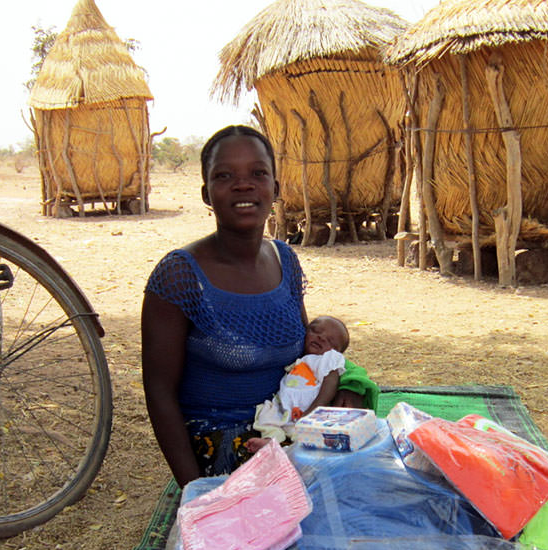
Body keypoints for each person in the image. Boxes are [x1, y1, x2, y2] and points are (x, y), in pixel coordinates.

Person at [141, 125, 374, 487]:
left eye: (258, 173)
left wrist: (345, 382)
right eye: (224, 175)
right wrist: (196, 492)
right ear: (207, 193)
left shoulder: (285, 260)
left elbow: (308, 351)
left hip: (286, 427)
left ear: (275, 189)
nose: (243, 185)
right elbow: (159, 393)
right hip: (221, 443)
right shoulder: (179, 276)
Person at [245, 315, 351, 452]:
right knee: (266, 417)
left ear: (338, 352)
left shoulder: (327, 359)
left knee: (305, 434)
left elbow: (330, 385)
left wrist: (314, 410)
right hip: (282, 407)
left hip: (307, 410)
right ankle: (270, 441)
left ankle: (294, 450)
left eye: (330, 340)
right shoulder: (299, 356)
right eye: (316, 331)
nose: (321, 338)